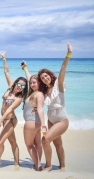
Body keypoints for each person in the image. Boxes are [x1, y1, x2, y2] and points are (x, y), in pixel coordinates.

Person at [38, 42, 73, 171]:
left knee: (45, 140)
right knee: (58, 144)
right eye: (42, 78)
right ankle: (62, 166)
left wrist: (68, 54)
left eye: (46, 76)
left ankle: (48, 165)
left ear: (50, 75)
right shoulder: (44, 91)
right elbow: (32, 82)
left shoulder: (59, 85)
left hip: (62, 119)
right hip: (51, 120)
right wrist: (25, 69)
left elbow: (63, 68)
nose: (45, 78)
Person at [0, 51, 28, 168]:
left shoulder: (18, 97)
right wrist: (4, 59)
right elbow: (6, 72)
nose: (20, 87)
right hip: (5, 120)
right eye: (19, 84)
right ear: (16, 83)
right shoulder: (10, 87)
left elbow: (9, 110)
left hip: (10, 120)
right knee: (13, 141)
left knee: (0, 142)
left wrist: (0, 120)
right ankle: (16, 163)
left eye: (23, 86)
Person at [20, 61, 46, 170]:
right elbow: (30, 78)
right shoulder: (35, 92)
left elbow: (40, 109)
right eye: (31, 83)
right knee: (37, 144)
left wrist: (44, 124)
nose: (32, 84)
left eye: (34, 83)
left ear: (39, 83)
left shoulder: (38, 94)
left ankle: (38, 164)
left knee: (29, 145)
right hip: (36, 123)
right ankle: (37, 163)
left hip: (31, 122)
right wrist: (25, 68)